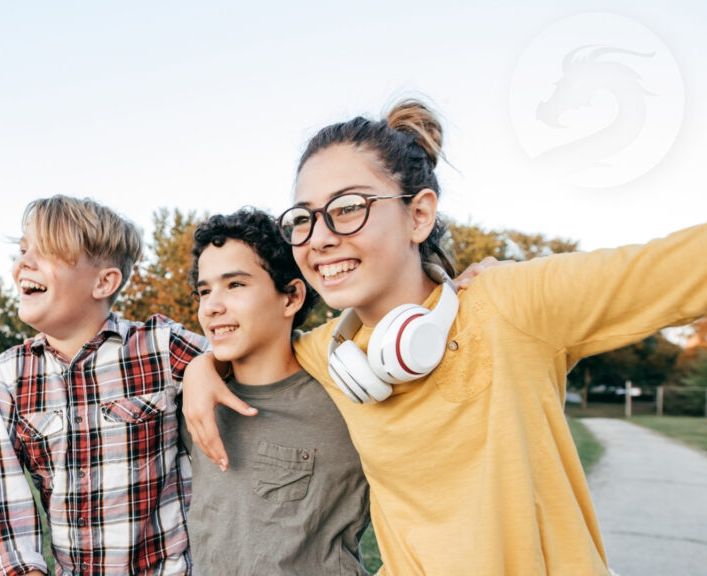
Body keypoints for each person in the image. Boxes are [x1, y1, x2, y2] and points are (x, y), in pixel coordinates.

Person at [182, 98, 707, 575]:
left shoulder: (512, 302)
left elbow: (684, 265)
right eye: (303, 219)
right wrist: (203, 369)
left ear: (418, 215)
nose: (319, 238)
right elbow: (254, 343)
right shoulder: (332, 353)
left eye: (348, 208)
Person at [0, 195, 207, 576]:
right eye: (23, 250)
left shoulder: (160, 346)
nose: (23, 263)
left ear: (103, 282)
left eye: (46, 251)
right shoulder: (11, 373)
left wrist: (207, 367)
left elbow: (245, 356)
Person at [182, 208, 370, 575]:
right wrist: (199, 367)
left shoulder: (345, 395)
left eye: (235, 285)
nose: (212, 307)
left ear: (291, 297)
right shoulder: (195, 404)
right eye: (204, 291)